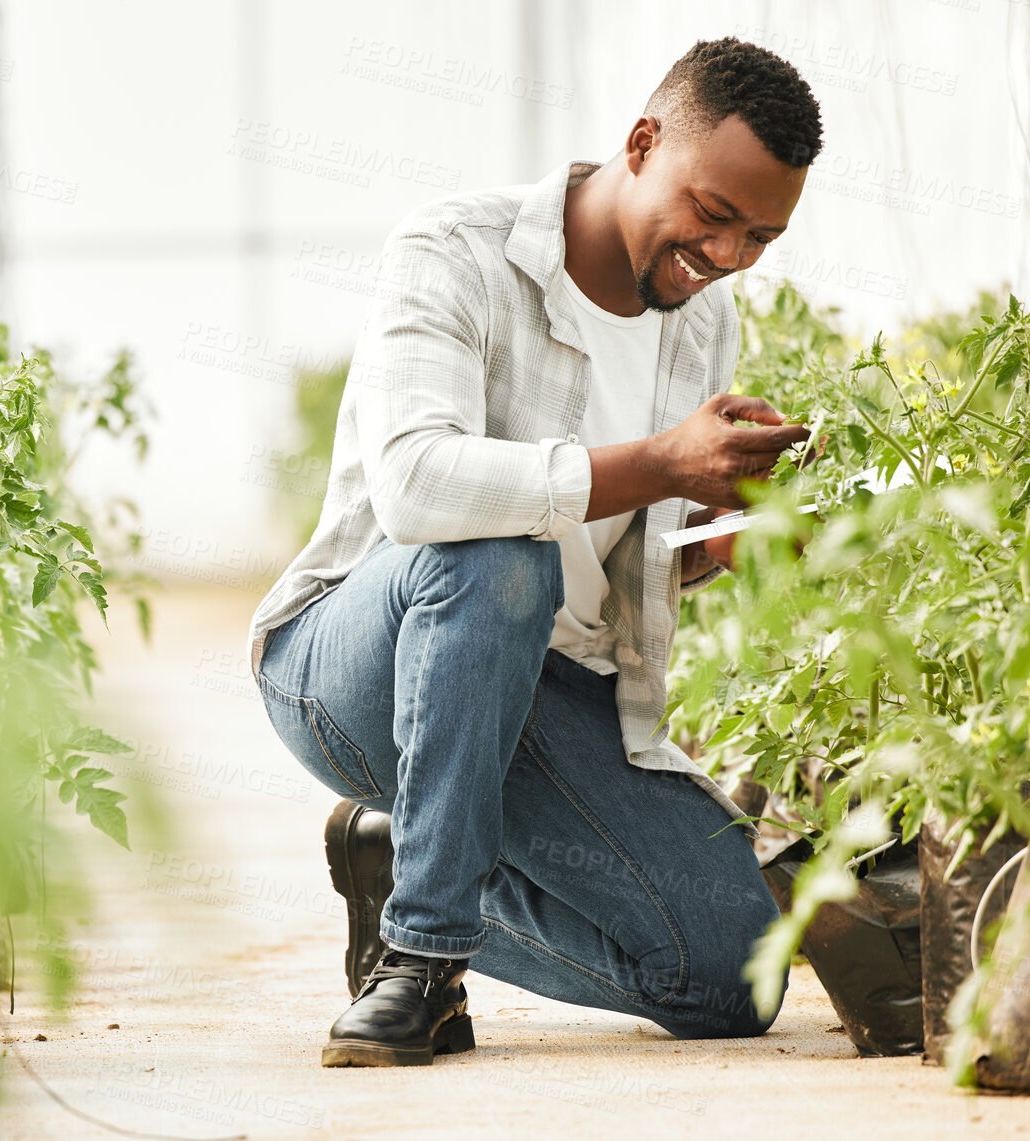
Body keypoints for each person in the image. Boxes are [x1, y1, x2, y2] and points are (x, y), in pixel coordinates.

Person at [247, 37, 823, 1067]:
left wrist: (711, 539)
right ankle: (420, 961)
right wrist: (659, 462)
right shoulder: (455, 251)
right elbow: (419, 486)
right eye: (713, 213)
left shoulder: (703, 320)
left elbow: (605, 550)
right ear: (641, 142)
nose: (728, 254)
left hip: (537, 691)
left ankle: (403, 859)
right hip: (357, 668)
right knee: (497, 555)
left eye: (760, 236)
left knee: (739, 972)